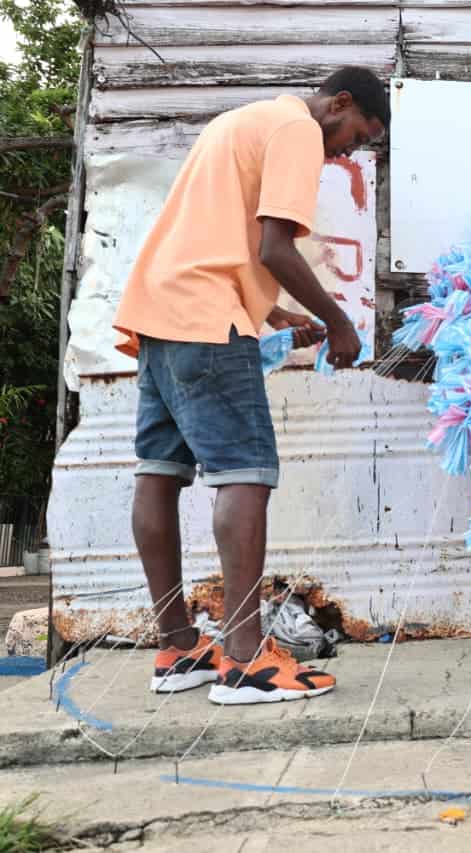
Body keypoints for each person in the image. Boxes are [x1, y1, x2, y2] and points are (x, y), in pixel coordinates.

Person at [112, 67, 390, 705]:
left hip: (159, 318)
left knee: (158, 471)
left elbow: (213, 239)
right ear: (338, 103)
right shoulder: (298, 130)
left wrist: (272, 313)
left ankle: (178, 647)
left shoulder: (239, 122)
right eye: (356, 134)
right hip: (208, 326)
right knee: (244, 473)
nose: (349, 150)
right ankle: (244, 661)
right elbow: (274, 248)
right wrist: (340, 322)